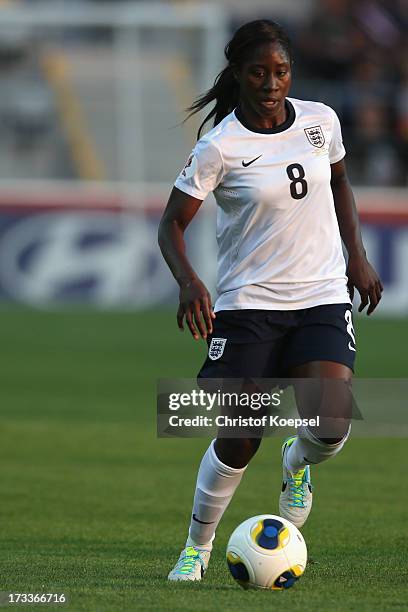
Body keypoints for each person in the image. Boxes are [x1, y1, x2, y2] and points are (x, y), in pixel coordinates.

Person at [158, 19, 382, 582]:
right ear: (238, 73)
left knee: (329, 419)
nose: (270, 82)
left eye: (280, 71)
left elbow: (339, 185)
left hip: (322, 295)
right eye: (258, 72)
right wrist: (190, 282)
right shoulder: (219, 147)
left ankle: (298, 461)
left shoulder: (320, 121)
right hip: (248, 304)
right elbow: (170, 225)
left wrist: (355, 253)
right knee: (238, 435)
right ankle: (198, 547)